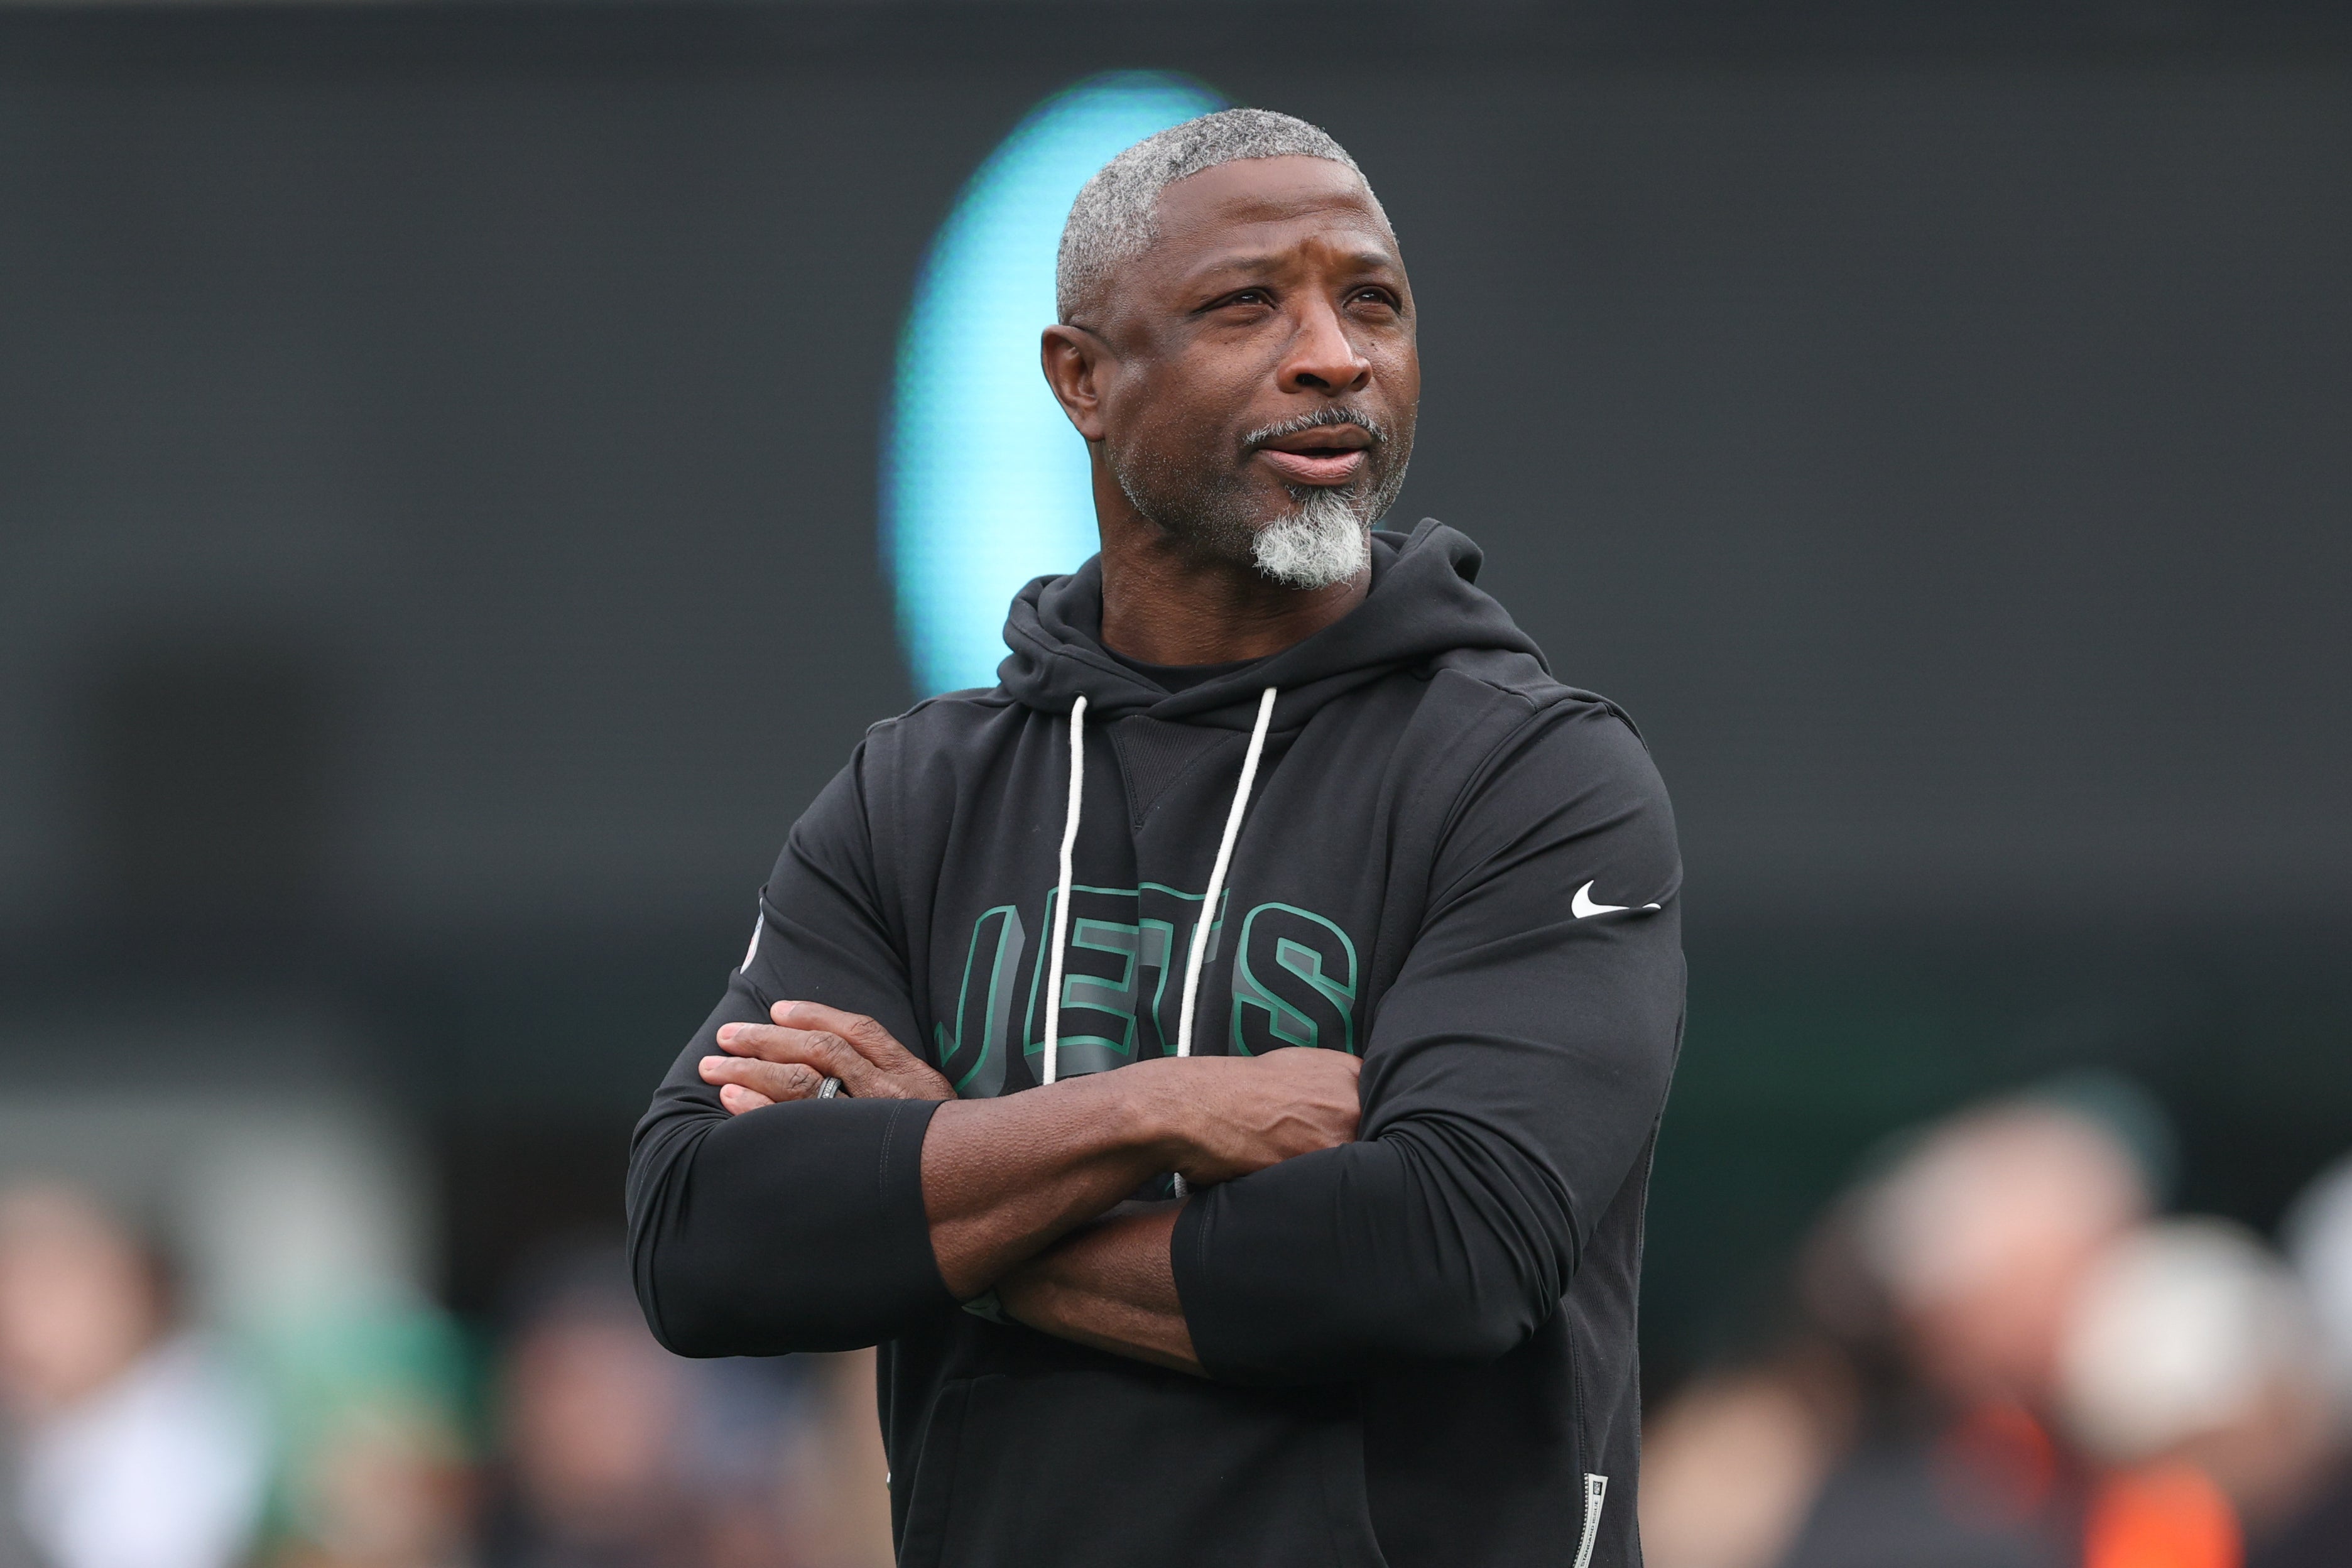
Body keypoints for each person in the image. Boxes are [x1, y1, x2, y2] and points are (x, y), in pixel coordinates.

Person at [626, 109, 1684, 1568]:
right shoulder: (920, 793)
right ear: (1082, 382)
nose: (1333, 354)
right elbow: (700, 1239)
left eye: (1370, 300)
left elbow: (1442, 1257)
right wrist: (1164, 1109)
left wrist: (940, 1184)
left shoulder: (1529, 772)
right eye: (1249, 303)